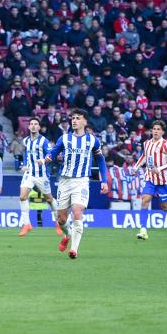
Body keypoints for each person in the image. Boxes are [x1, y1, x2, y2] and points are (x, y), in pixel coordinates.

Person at [43, 109, 109, 259]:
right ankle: (67, 235)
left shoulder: (92, 140)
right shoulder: (64, 138)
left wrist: (104, 180)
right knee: (61, 219)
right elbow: (54, 153)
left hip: (81, 181)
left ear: (85, 122)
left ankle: (74, 249)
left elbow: (100, 160)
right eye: (73, 118)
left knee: (77, 211)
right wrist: (48, 157)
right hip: (64, 181)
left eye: (78, 118)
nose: (74, 121)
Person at [133, 120, 167, 240]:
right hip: (150, 178)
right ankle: (143, 230)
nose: (155, 131)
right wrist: (136, 167)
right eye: (154, 129)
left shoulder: (166, 144)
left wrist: (160, 169)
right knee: (145, 200)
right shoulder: (147, 143)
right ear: (151, 130)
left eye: (158, 129)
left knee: (165, 207)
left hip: (162, 181)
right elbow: (144, 156)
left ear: (162, 132)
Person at [18, 117, 60, 237]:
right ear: (29, 126)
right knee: (22, 196)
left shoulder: (44, 141)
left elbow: (51, 154)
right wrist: (25, 164)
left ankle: (58, 222)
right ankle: (27, 224)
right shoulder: (26, 140)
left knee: (49, 199)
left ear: (39, 127)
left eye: (36, 124)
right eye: (31, 124)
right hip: (30, 173)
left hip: (42, 175)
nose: (33, 126)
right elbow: (26, 153)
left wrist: (43, 160)